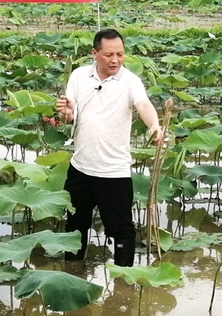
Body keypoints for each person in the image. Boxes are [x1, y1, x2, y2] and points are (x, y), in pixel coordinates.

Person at [56, 29, 163, 267]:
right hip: (81, 168)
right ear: (94, 53)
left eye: (120, 54)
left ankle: (124, 283)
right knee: (74, 227)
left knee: (122, 230)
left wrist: (155, 126)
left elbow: (143, 104)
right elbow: (69, 117)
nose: (115, 60)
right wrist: (64, 112)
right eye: (108, 55)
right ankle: (72, 275)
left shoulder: (130, 81)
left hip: (114, 172)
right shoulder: (78, 76)